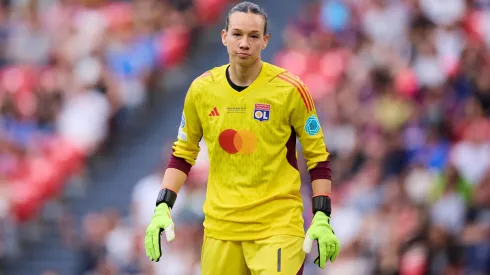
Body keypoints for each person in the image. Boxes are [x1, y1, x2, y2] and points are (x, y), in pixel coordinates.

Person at [144, 2, 340, 274]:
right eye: (237, 34)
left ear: (265, 41)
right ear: (224, 36)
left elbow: (318, 157)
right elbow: (183, 153)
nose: (244, 43)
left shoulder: (290, 89)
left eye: (253, 36)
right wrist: (162, 207)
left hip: (277, 228)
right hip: (221, 229)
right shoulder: (202, 90)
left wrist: (322, 215)